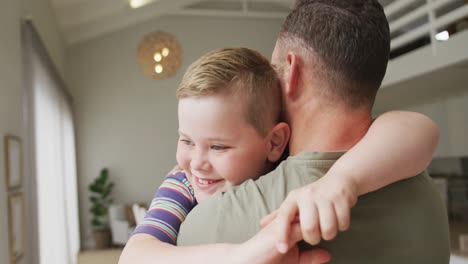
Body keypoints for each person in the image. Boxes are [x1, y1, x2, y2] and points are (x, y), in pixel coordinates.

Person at [173, 0, 451, 263]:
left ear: (291, 72)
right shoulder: (422, 187)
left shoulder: (213, 223)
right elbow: (421, 127)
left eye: (274, 69)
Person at [120, 43, 443, 264]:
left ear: (275, 143)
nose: (196, 161)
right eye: (186, 140)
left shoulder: (287, 159)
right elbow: (135, 256)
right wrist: (244, 254)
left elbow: (420, 129)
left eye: (218, 146)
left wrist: (341, 180)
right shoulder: (182, 183)